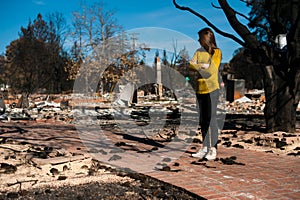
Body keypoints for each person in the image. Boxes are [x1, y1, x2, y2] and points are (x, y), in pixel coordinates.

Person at [189, 28, 222, 160]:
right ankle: (204, 147)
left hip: (212, 89)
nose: (198, 41)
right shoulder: (198, 51)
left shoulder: (216, 52)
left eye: (200, 38)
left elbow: (211, 71)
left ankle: (213, 148)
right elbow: (191, 66)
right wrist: (202, 66)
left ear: (206, 38)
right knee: (202, 120)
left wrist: (200, 66)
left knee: (211, 119)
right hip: (200, 89)